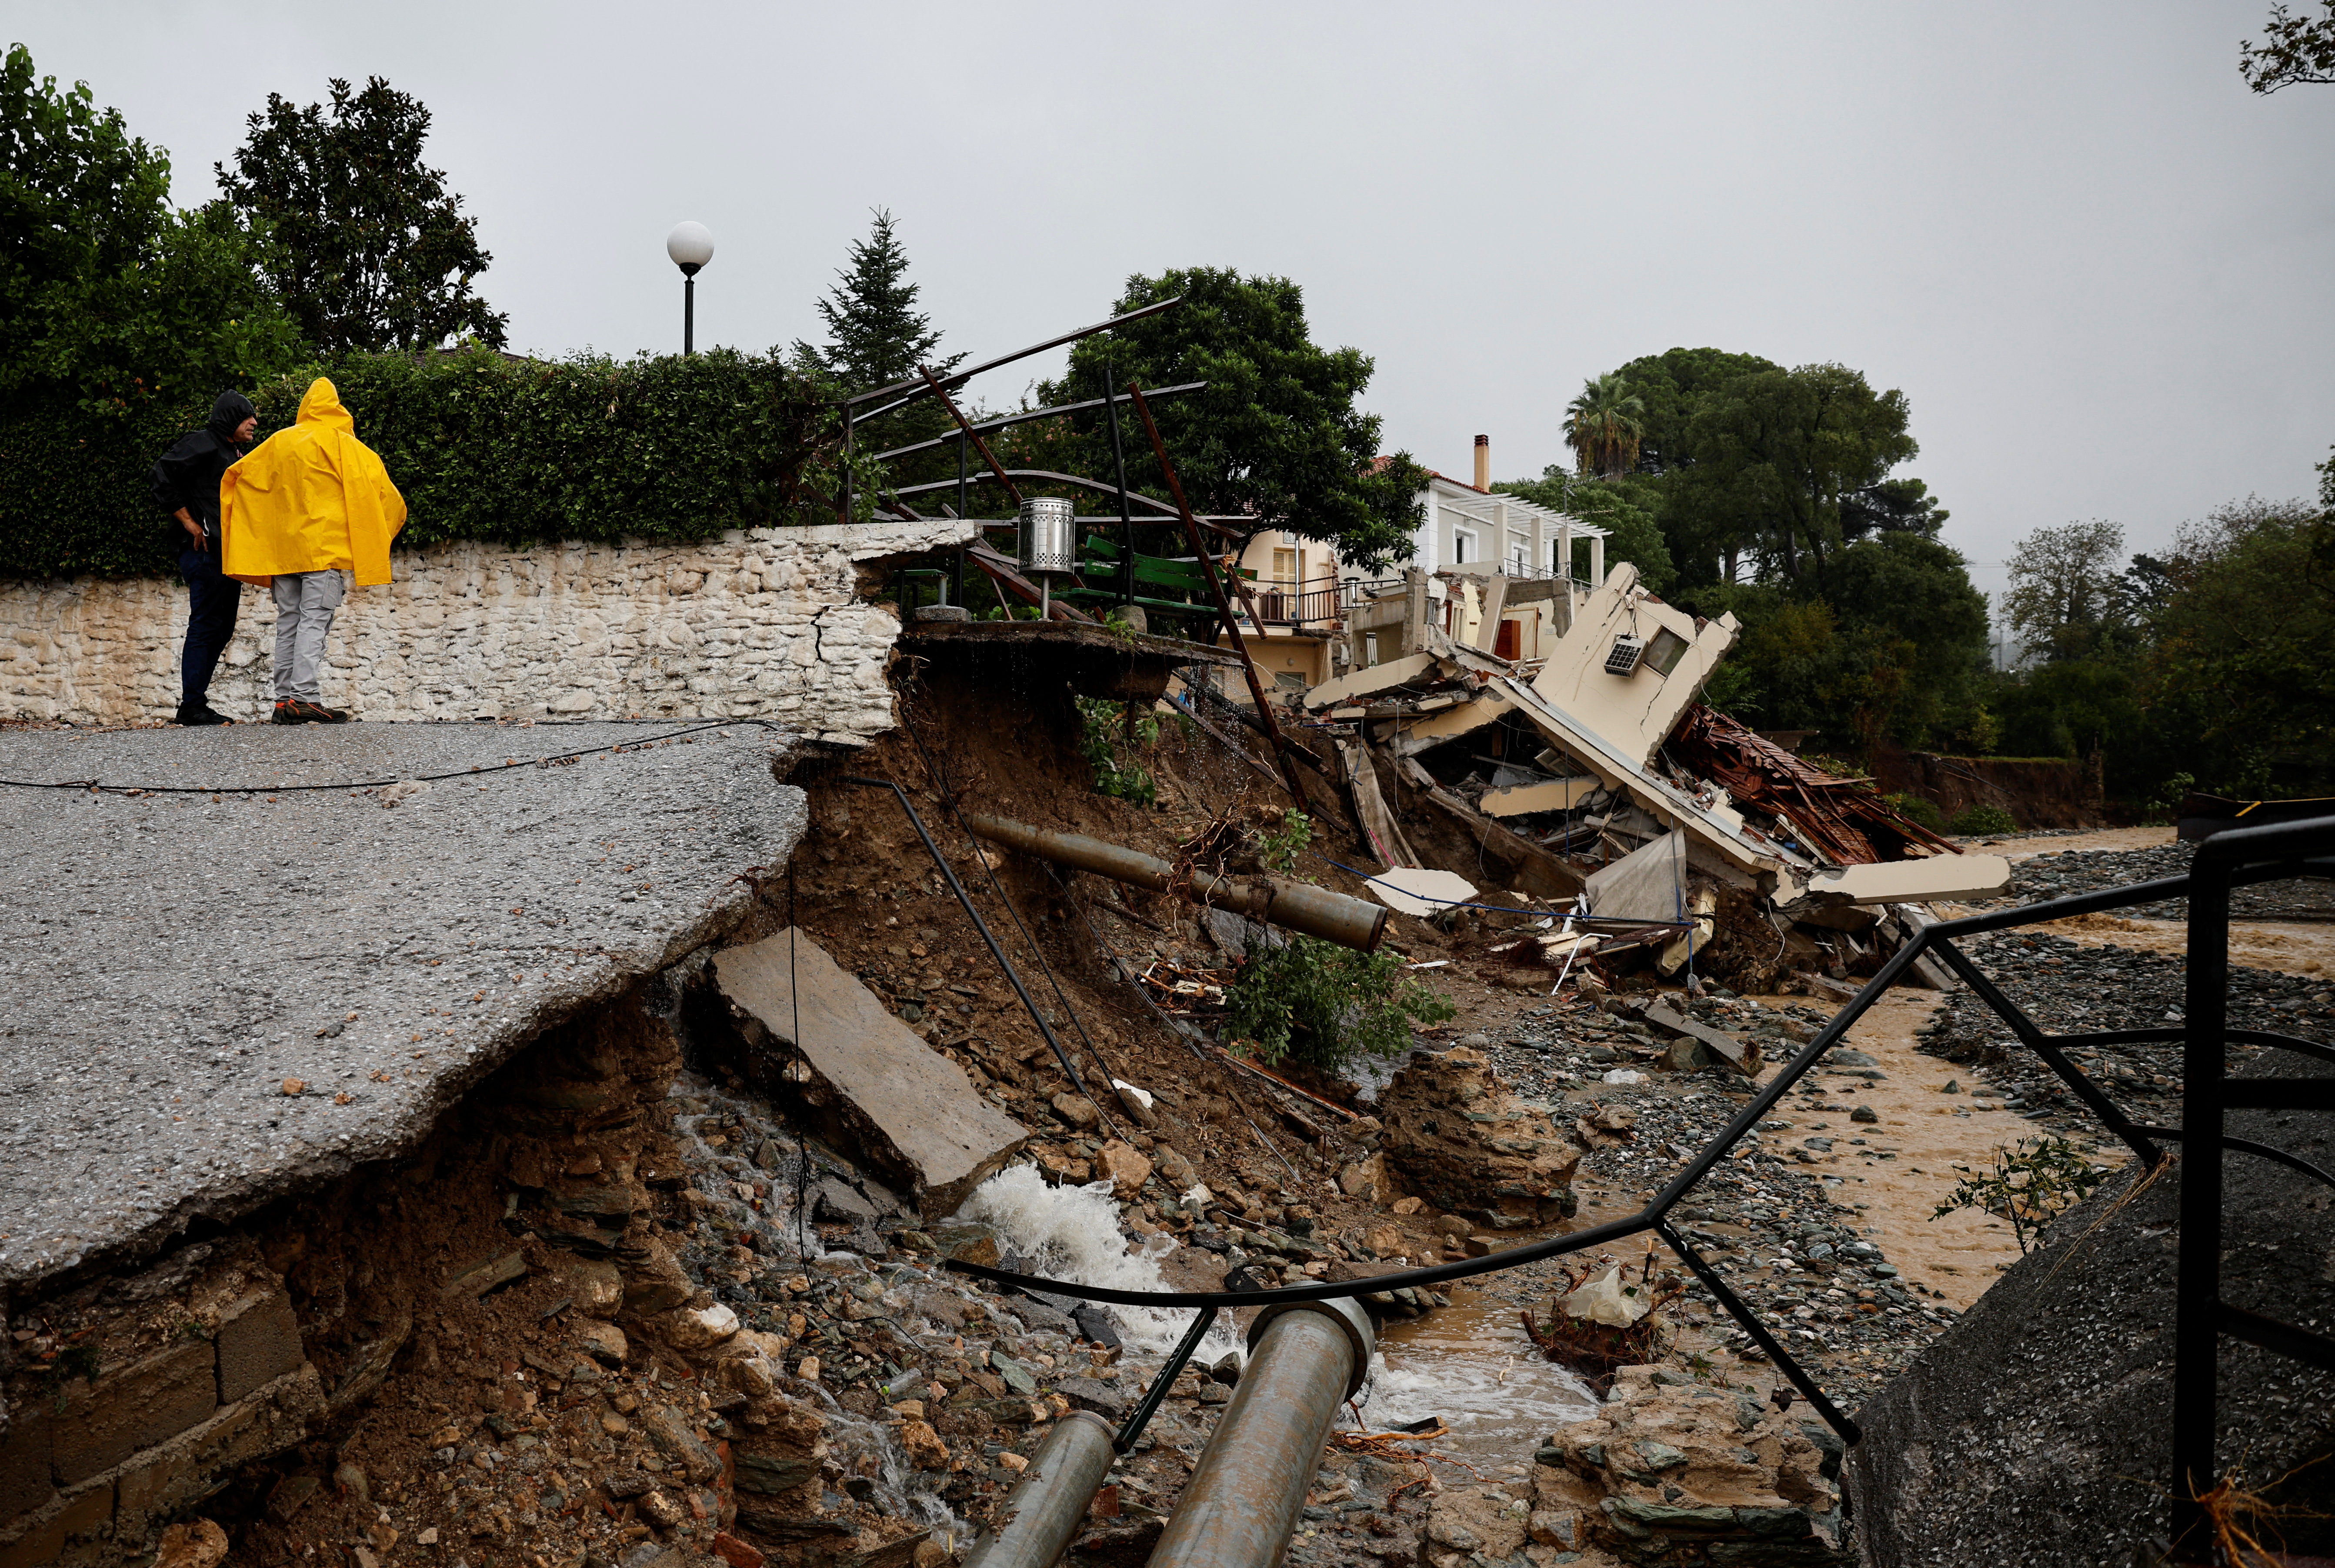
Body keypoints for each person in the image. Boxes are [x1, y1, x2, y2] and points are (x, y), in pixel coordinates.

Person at [220, 378, 407, 724]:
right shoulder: (345, 446)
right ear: (337, 409)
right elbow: (388, 497)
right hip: (323, 551)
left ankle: (283, 701)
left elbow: (236, 476)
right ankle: (304, 697)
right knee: (314, 623)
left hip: (284, 553)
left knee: (289, 623)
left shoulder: (279, 443)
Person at [147, 390, 259, 725]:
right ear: (230, 418)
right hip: (203, 553)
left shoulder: (233, 451)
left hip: (227, 556)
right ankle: (192, 706)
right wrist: (188, 521)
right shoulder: (203, 443)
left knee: (222, 627)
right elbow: (160, 475)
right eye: (247, 417)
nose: (254, 422)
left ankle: (196, 703)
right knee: (206, 624)